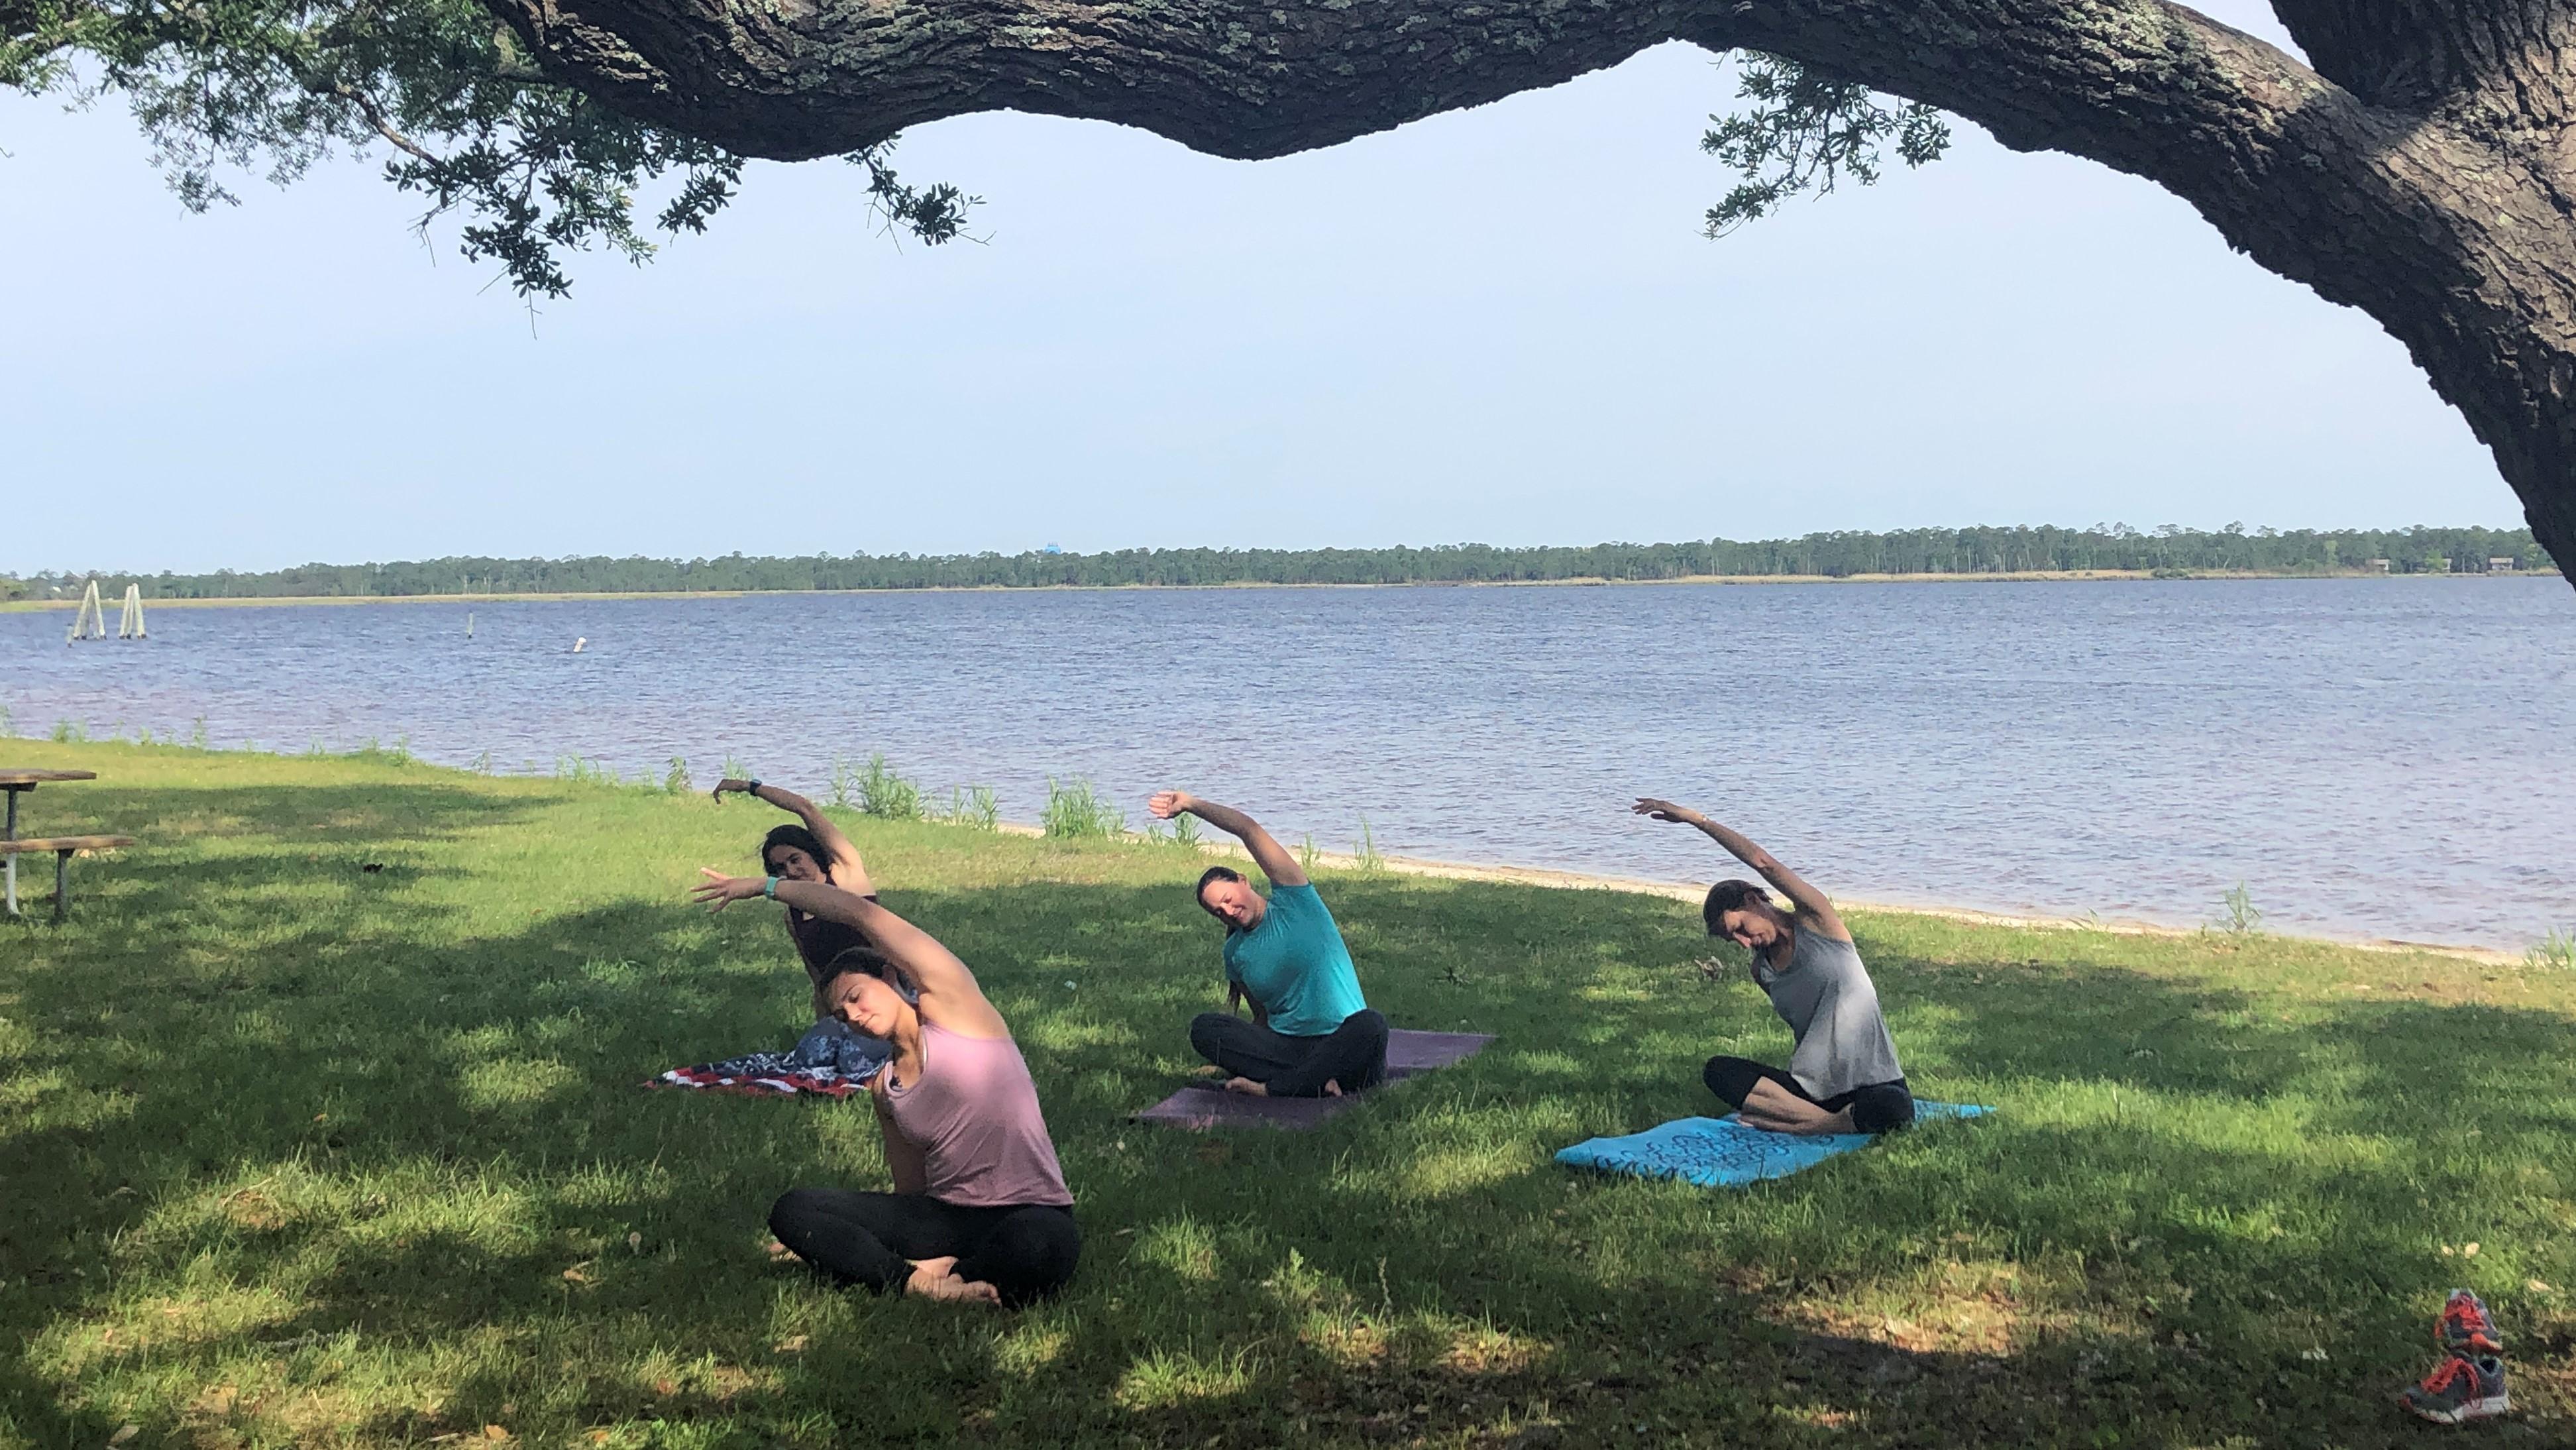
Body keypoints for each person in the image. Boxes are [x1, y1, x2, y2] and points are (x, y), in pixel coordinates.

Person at [689, 865, 1081, 1307]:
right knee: (794, 1210)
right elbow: (911, 1194)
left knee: (1042, 1246)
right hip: (946, 1216)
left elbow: (861, 915)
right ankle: (923, 1284)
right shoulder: (885, 1087)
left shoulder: (958, 1012)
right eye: (841, 1016)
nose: (853, 1016)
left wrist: (767, 886)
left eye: (856, 997)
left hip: (1031, 1209)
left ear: (891, 977)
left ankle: (936, 1270)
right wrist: (867, 1234)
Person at [1633, 797, 1913, 1135]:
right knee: (1718, 1071)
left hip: (1873, 1082)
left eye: (1740, 928)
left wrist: (1698, 821)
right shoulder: (1762, 971)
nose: (1744, 943)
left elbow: (1763, 862)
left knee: (1894, 1107)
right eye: (1731, 940)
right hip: (1810, 1091)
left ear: (1753, 900)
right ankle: (1824, 1121)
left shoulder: (1818, 922)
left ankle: (1809, 1124)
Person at [1146, 789, 1387, 1099]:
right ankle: (1314, 1083)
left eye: (1229, 899)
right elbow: (1263, 1019)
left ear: (1244, 881)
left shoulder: (1296, 902)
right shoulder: (1235, 953)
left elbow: (1248, 830)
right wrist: (1235, 1053)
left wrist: (1192, 805)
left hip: (1343, 1044)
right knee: (1205, 1029)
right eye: (1218, 912)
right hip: (1291, 1049)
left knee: (1371, 1024)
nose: (1229, 911)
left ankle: (1279, 1087)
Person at [711, 775, 900, 1023]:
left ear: (812, 853)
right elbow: (819, 979)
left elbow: (805, 808)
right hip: (848, 1014)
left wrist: (751, 787)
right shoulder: (793, 915)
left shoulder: (846, 875)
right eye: (779, 868)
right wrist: (825, 1025)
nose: (789, 872)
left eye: (795, 859)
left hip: (888, 997)